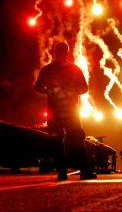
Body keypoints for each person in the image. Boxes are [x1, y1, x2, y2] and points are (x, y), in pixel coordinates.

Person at [34, 41, 97, 181]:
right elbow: (84, 89)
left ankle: (62, 172)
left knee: (56, 141)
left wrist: (50, 91)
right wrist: (70, 91)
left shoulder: (47, 69)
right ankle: (84, 171)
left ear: (54, 52)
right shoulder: (74, 69)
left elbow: (38, 87)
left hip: (54, 110)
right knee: (76, 140)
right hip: (70, 110)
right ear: (66, 53)